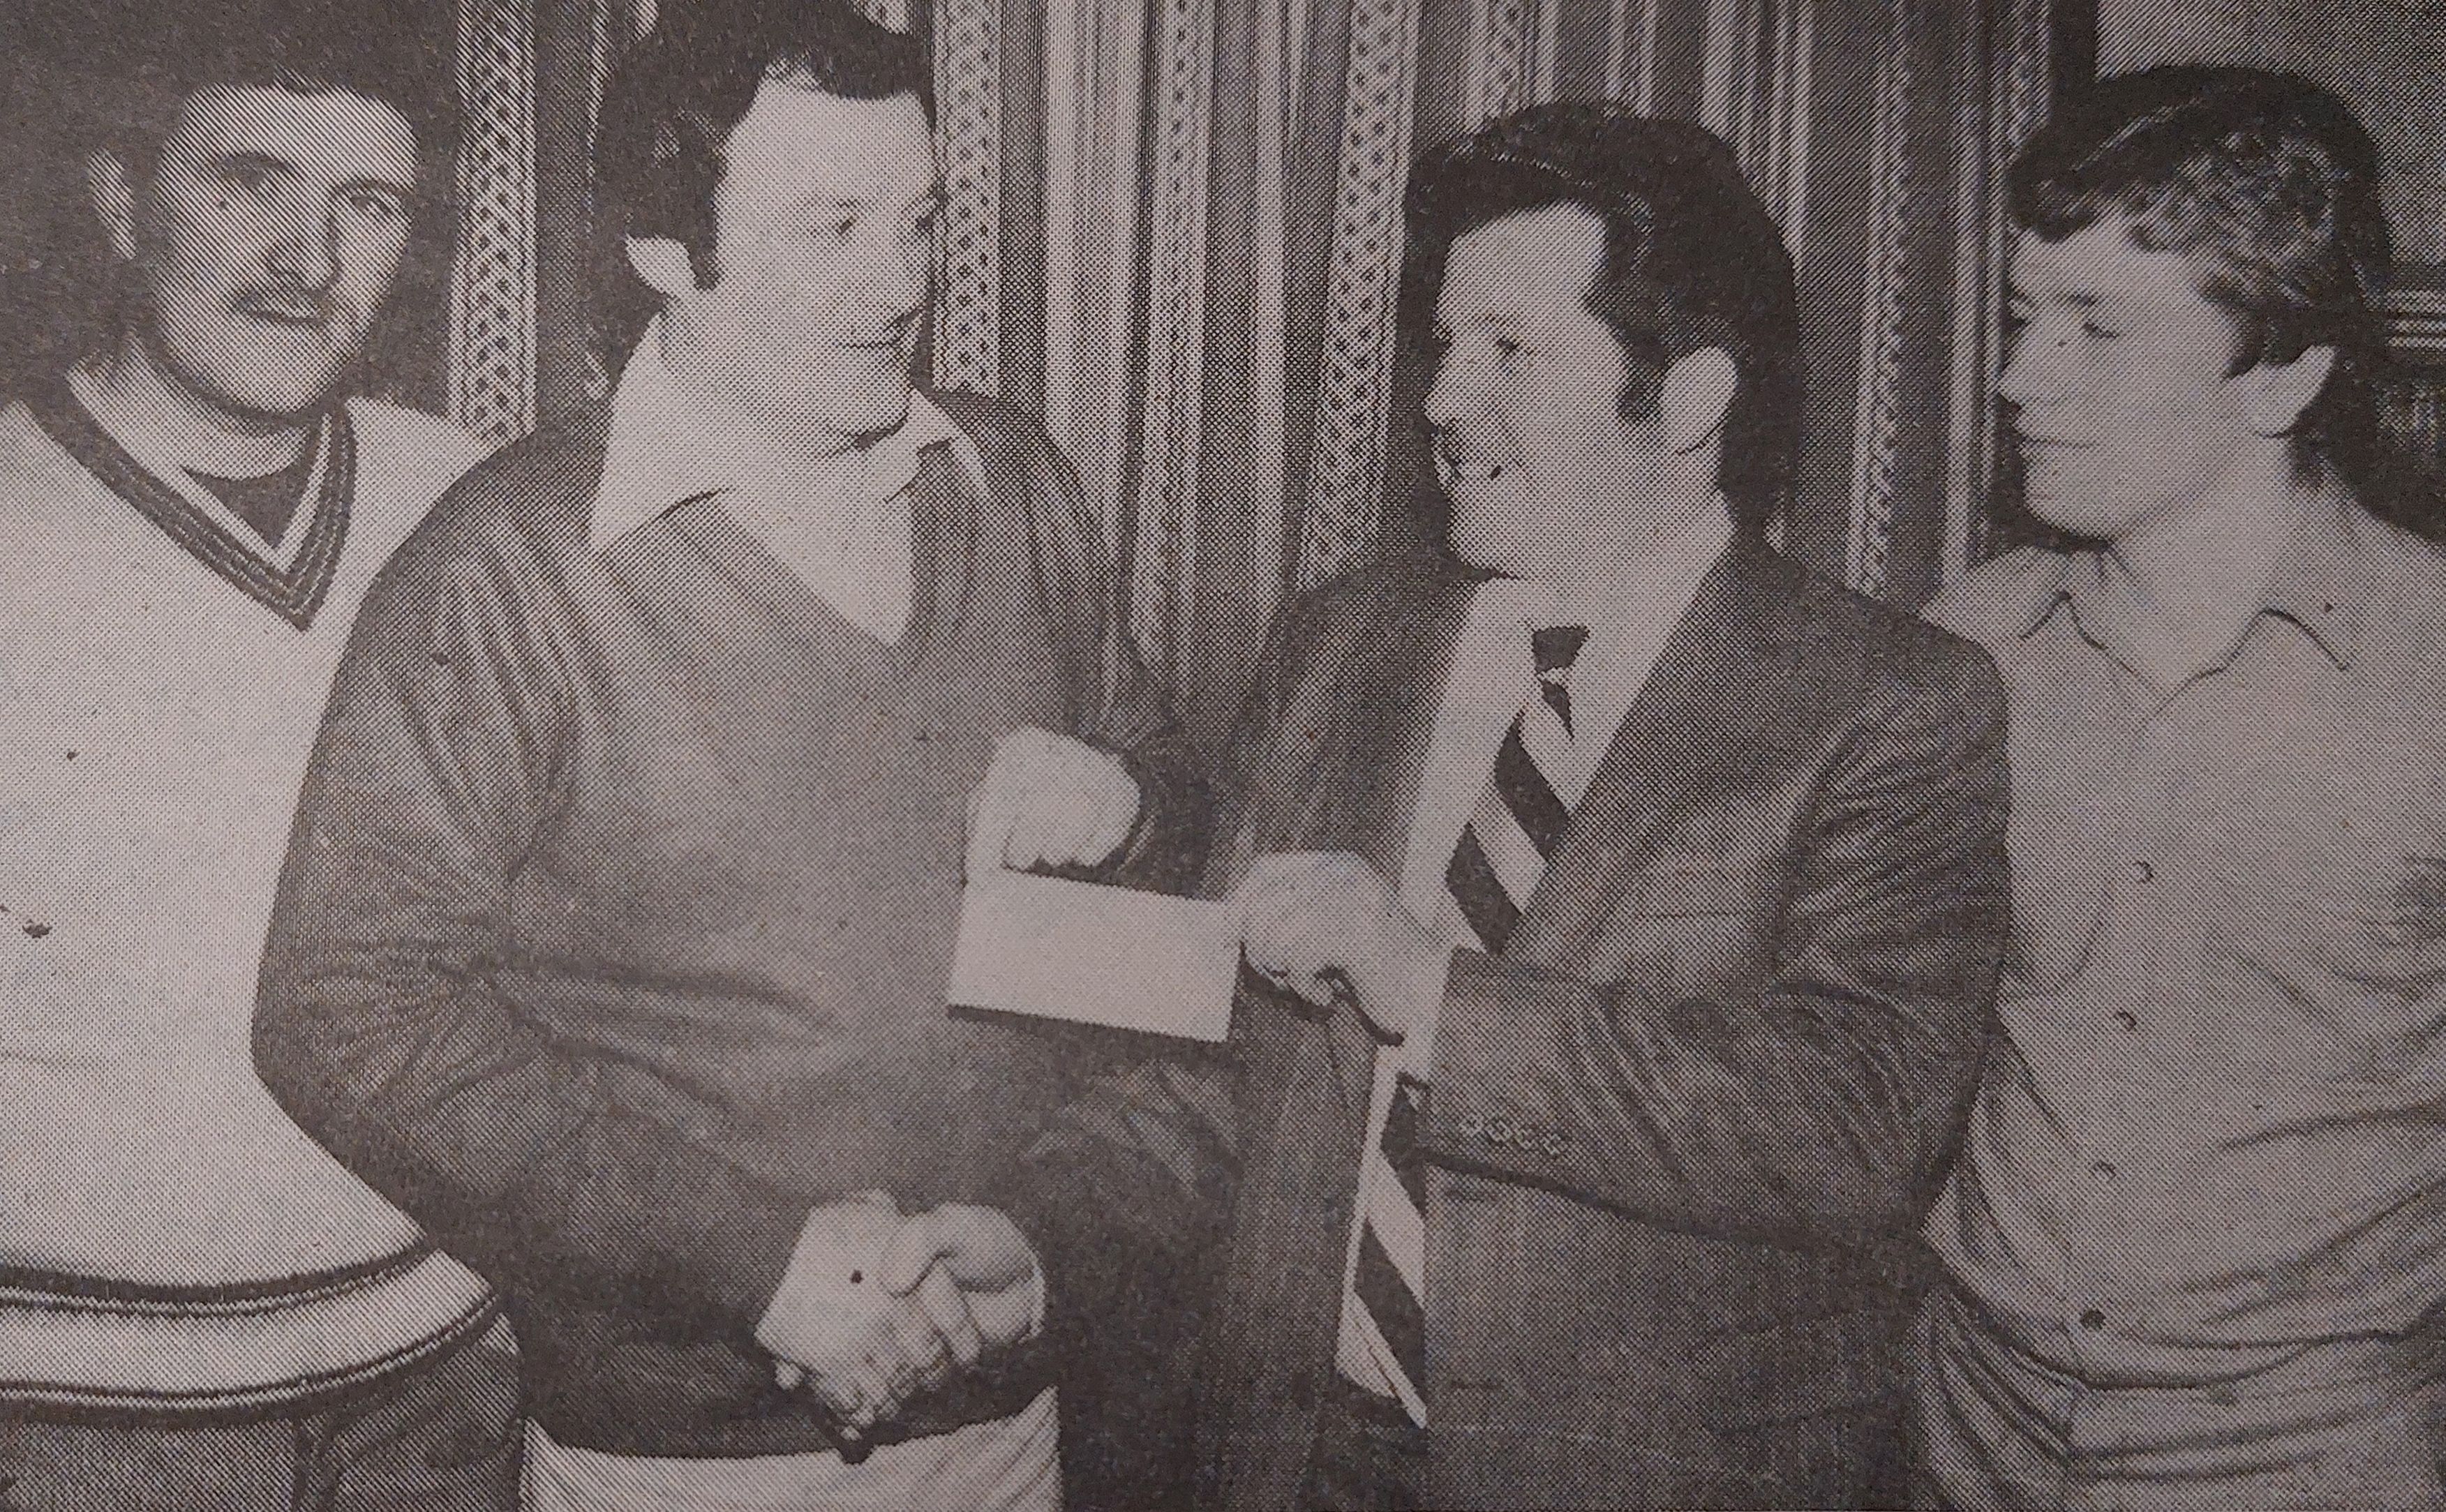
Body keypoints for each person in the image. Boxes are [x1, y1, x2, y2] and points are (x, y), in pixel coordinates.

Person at [253, 3, 1207, 1509]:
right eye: (833, 228)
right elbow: (344, 1010)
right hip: (678, 1461)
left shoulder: (1013, 482)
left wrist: (1134, 804)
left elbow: (1179, 894)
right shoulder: (509, 565)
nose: (901, 282)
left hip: (1013, 1418)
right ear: (661, 249)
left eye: (921, 220)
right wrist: (759, 1265)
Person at [1015, 101, 2013, 1511]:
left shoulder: (1886, 703)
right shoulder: (1337, 645)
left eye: (1509, 351)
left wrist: (1433, 990)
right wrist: (1029, 1245)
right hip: (1291, 1466)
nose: (1440, 401)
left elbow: (1847, 1124)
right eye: (1443, 347)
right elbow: (1218, 1061)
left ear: (1688, 399)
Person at [0, 18, 515, 1511]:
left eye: (368, 204)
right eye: (249, 183)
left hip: (439, 1381)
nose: (311, 259)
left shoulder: (470, 497)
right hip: (87, 1412)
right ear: (120, 202)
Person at [1918, 65, 2446, 1512]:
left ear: (2280, 373)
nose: (2021, 377)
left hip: (2309, 1457)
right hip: (1956, 1429)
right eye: (2023, 317)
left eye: (2097, 329)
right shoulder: (1967, 648)